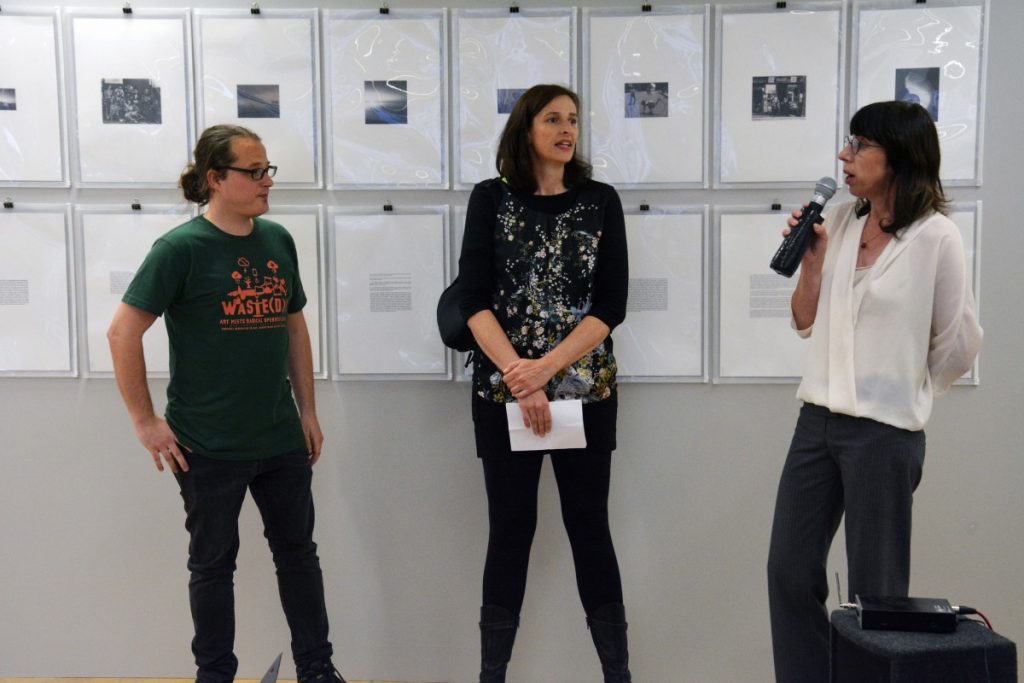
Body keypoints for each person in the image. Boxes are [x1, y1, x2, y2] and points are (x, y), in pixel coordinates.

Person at [107, 124, 346, 683]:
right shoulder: (179, 249)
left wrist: (307, 411)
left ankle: (317, 669)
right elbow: (123, 332)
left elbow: (293, 326)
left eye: (269, 170)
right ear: (216, 179)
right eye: (254, 171)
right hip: (207, 445)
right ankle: (214, 676)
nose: (267, 182)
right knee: (213, 567)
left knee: (299, 557)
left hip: (280, 438)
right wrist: (145, 423)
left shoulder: (277, 239)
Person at [766, 101, 983, 682]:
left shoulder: (937, 236)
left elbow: (959, 342)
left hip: (885, 434)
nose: (845, 155)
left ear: (900, 157)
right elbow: (805, 321)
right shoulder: (836, 221)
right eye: (847, 141)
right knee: (789, 572)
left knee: (877, 592)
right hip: (816, 420)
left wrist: (901, 387)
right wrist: (810, 264)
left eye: (860, 144)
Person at [457, 84, 632, 682]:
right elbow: (471, 300)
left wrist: (546, 370)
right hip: (505, 394)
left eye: (574, 120)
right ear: (525, 129)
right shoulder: (490, 199)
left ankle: (618, 675)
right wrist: (521, 380)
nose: (567, 129)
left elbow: (611, 305)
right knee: (510, 529)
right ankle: (492, 675)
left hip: (585, 392)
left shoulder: (601, 201)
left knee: (590, 527)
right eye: (553, 119)